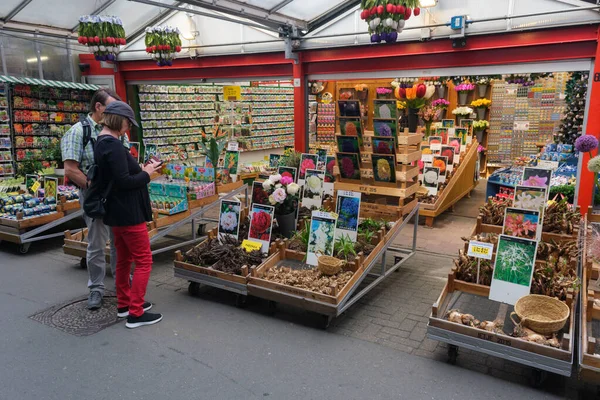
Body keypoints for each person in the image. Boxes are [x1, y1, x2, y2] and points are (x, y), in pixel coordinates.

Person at [94, 101, 163, 328]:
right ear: (117, 120)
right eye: (126, 122)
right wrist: (147, 173)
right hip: (128, 212)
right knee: (144, 260)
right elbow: (125, 182)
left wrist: (141, 168)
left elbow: (118, 176)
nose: (127, 128)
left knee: (124, 259)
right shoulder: (113, 145)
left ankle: (125, 304)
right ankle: (136, 312)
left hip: (116, 212)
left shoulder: (102, 142)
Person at [61, 89, 130, 310]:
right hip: (95, 197)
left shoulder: (119, 130)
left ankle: (123, 285)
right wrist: (95, 187)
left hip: (116, 196)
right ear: (98, 107)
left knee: (120, 242)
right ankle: (96, 289)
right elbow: (71, 170)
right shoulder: (77, 131)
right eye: (110, 107)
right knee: (97, 244)